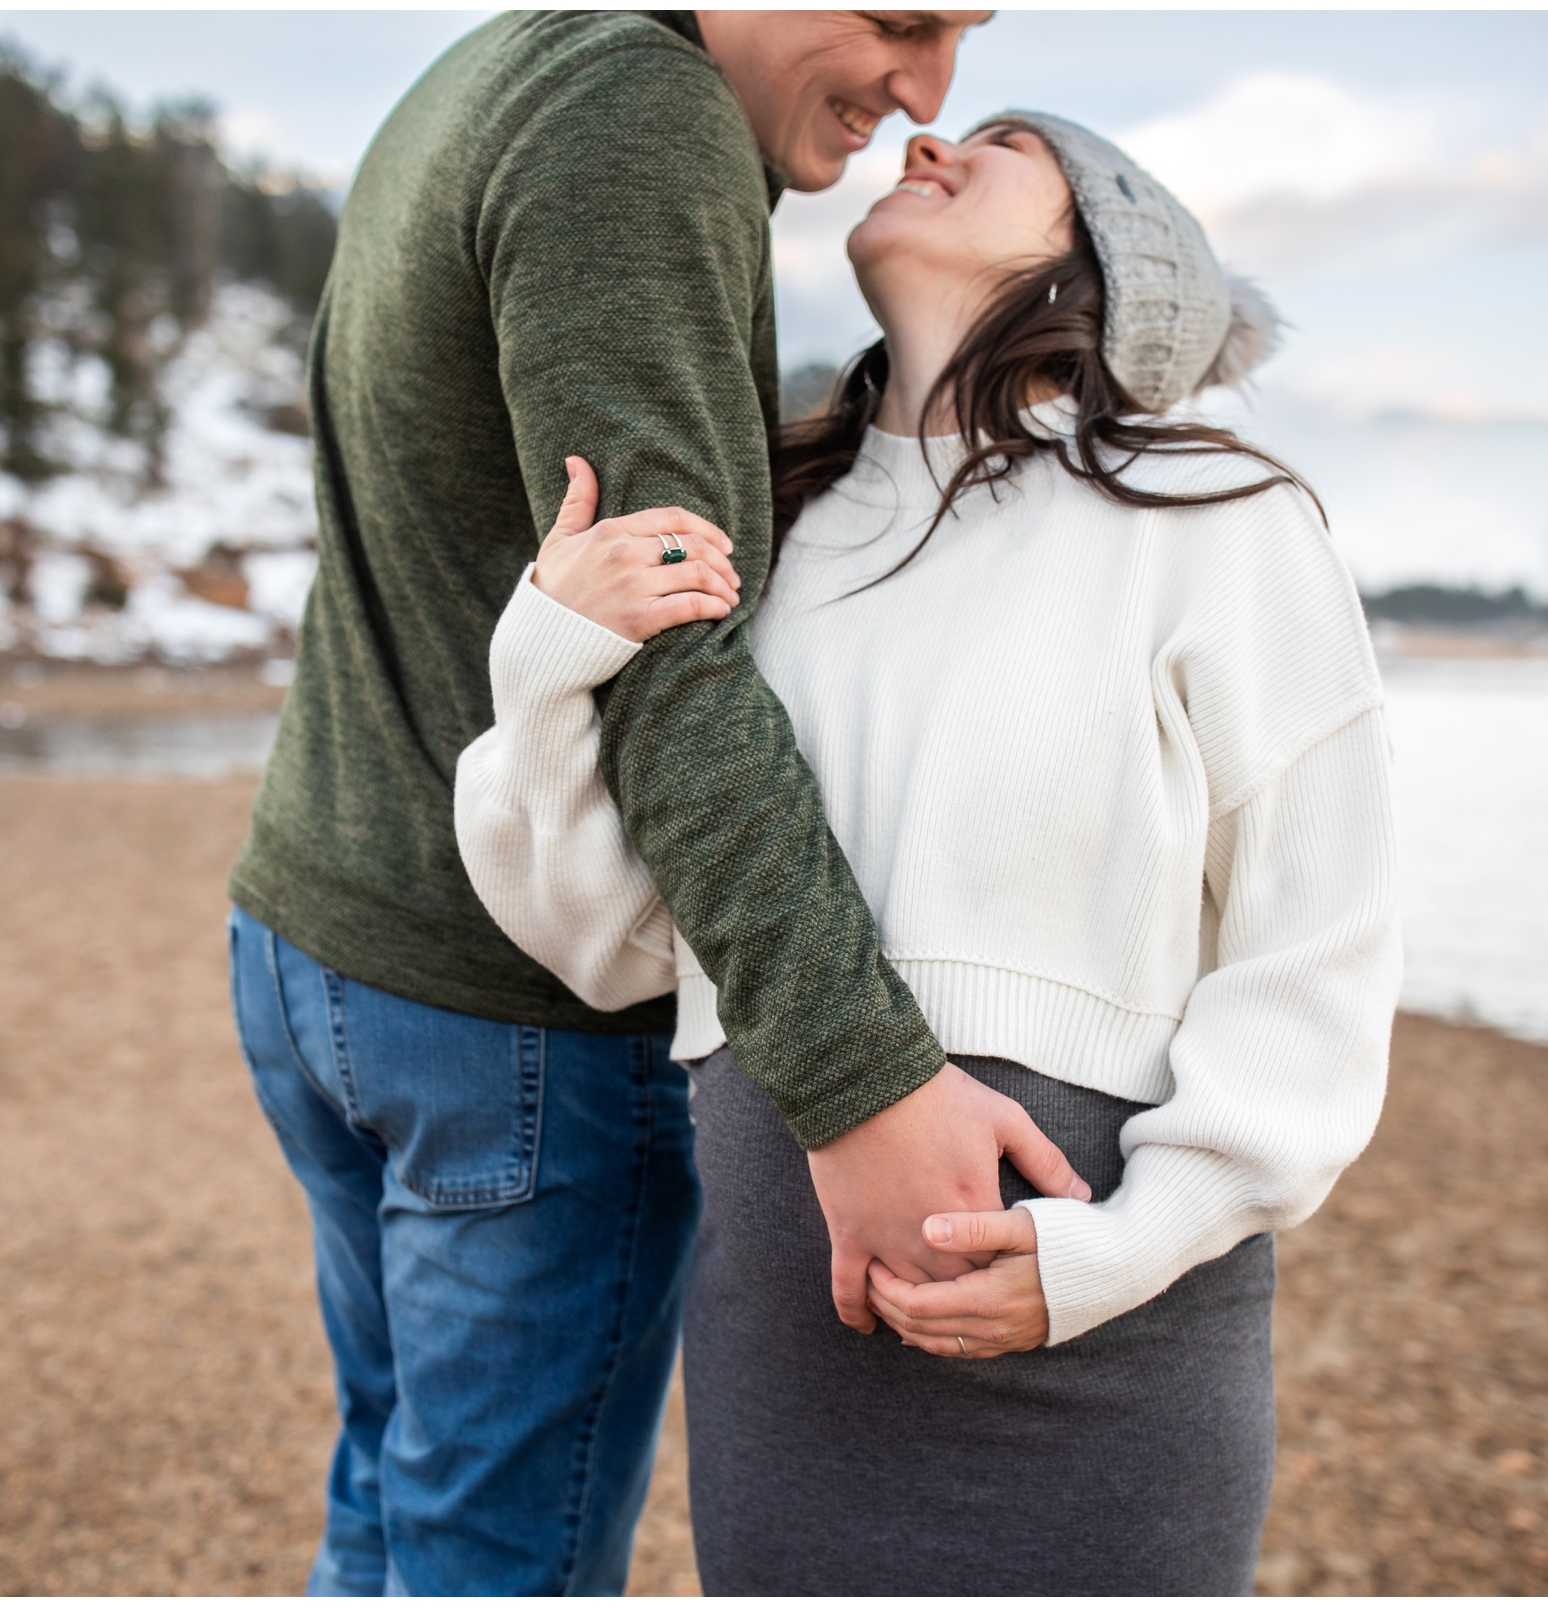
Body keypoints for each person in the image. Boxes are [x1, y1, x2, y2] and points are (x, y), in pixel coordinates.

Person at [455, 113, 1403, 1593]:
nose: (932, 134)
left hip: (1104, 1311)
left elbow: (1316, 951)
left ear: (1108, 250)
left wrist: (1128, 1248)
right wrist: (546, 661)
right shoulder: (770, 527)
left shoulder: (1219, 519)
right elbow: (610, 938)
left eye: (1013, 141)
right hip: (790, 1336)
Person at [222, 11, 1058, 1597]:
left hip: (315, 936)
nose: (926, 91)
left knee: (393, 1506)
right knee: (490, 1563)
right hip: (502, 1025)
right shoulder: (639, 123)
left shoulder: (512, 59)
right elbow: (672, 653)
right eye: (900, 17)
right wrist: (862, 1081)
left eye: (963, 28)